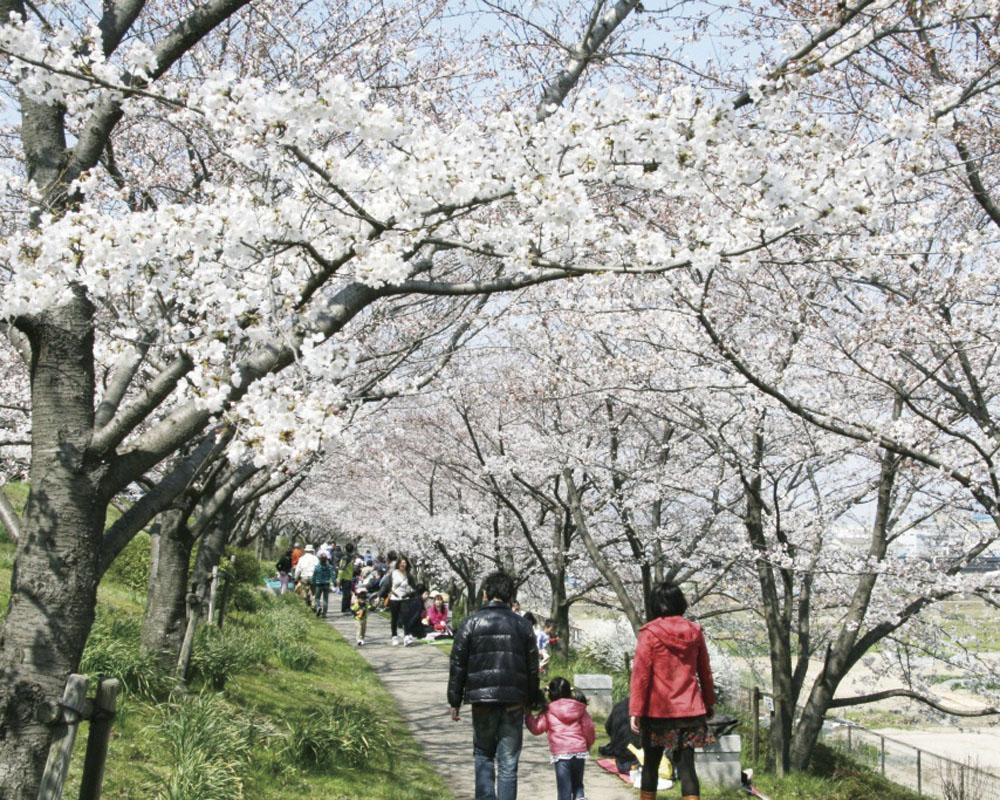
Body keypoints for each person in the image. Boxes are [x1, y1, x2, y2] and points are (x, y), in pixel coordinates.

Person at [447, 570, 540, 800]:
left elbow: (458, 665)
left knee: (483, 755)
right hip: (513, 702)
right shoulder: (523, 626)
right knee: (508, 763)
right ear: (511, 596)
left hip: (482, 701)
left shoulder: (471, 623)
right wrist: (531, 701)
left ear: (486, 593)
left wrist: (455, 700)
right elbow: (532, 669)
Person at [629, 581, 716, 800]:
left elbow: (641, 675)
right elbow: (704, 671)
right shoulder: (695, 632)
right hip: (689, 710)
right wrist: (709, 702)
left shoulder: (649, 632)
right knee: (687, 768)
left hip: (657, 712)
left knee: (650, 765)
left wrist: (636, 710)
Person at [525, 677, 596, 800]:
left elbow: (537, 728)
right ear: (569, 692)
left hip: (561, 753)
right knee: (578, 785)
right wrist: (588, 745)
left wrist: (528, 716)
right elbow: (588, 728)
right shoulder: (580, 708)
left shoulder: (548, 711)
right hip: (579, 751)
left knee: (564, 789)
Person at [388, 555, 413, 645]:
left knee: (406, 617)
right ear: (398, 563)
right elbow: (388, 584)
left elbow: (412, 585)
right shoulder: (394, 573)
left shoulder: (408, 575)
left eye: (405, 562)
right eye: (401, 562)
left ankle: (406, 636)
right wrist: (379, 595)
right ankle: (394, 636)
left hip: (404, 598)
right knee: (394, 618)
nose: (403, 564)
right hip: (395, 598)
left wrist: (411, 590)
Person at [311, 552, 335, 617]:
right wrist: (334, 582)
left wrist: (312, 582)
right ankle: (324, 613)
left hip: (318, 584)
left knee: (317, 598)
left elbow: (314, 575)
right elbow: (332, 575)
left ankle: (318, 607)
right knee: (325, 599)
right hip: (326, 584)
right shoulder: (329, 567)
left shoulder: (317, 567)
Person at [338, 543, 356, 614]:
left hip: (348, 578)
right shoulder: (346, 558)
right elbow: (341, 569)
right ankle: (345, 609)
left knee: (348, 594)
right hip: (345, 579)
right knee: (346, 594)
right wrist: (339, 578)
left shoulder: (348, 557)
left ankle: (347, 608)